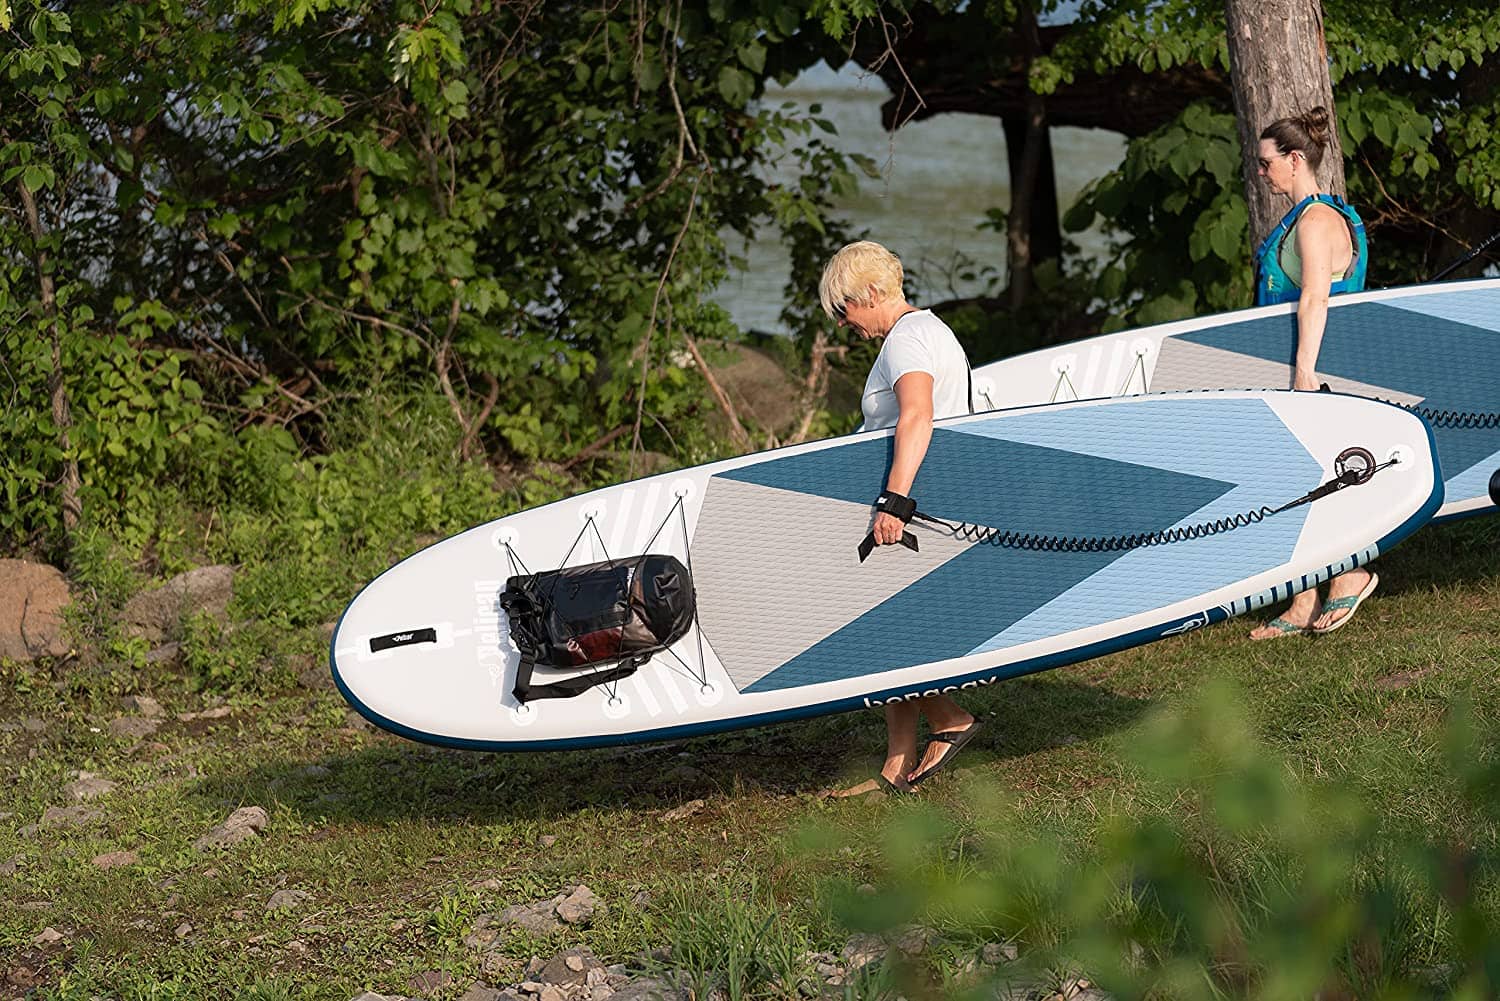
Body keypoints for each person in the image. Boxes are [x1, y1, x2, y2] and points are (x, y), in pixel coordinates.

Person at [819, 240, 983, 795]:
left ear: (868, 294)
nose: (845, 323)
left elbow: (918, 415)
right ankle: (895, 764)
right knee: (894, 635)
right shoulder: (931, 332)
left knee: (883, 638)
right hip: (930, 500)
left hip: (911, 507)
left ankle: (951, 719)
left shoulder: (905, 341)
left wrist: (894, 503)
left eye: (845, 310)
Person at [1247, 106, 1379, 639]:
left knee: (1319, 477)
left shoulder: (1318, 220)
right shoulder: (1304, 217)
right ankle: (1303, 596)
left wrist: (1304, 372)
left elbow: (1316, 299)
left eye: (1266, 163)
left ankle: (1349, 576)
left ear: (1295, 159)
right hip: (1291, 365)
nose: (1261, 173)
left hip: (1316, 369)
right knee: (1292, 476)